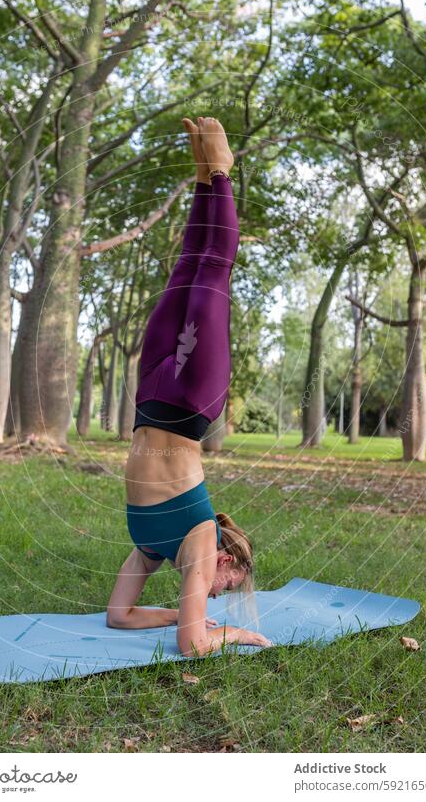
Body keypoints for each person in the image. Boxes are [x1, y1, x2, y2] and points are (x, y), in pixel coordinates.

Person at [106, 117, 271, 657]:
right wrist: (231, 633)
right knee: (214, 270)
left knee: (186, 269)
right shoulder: (202, 541)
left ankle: (203, 177)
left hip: (151, 396)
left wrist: (183, 612)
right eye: (228, 588)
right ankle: (220, 171)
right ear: (228, 560)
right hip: (190, 402)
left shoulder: (150, 550)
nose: (217, 596)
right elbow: (194, 647)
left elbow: (119, 617)